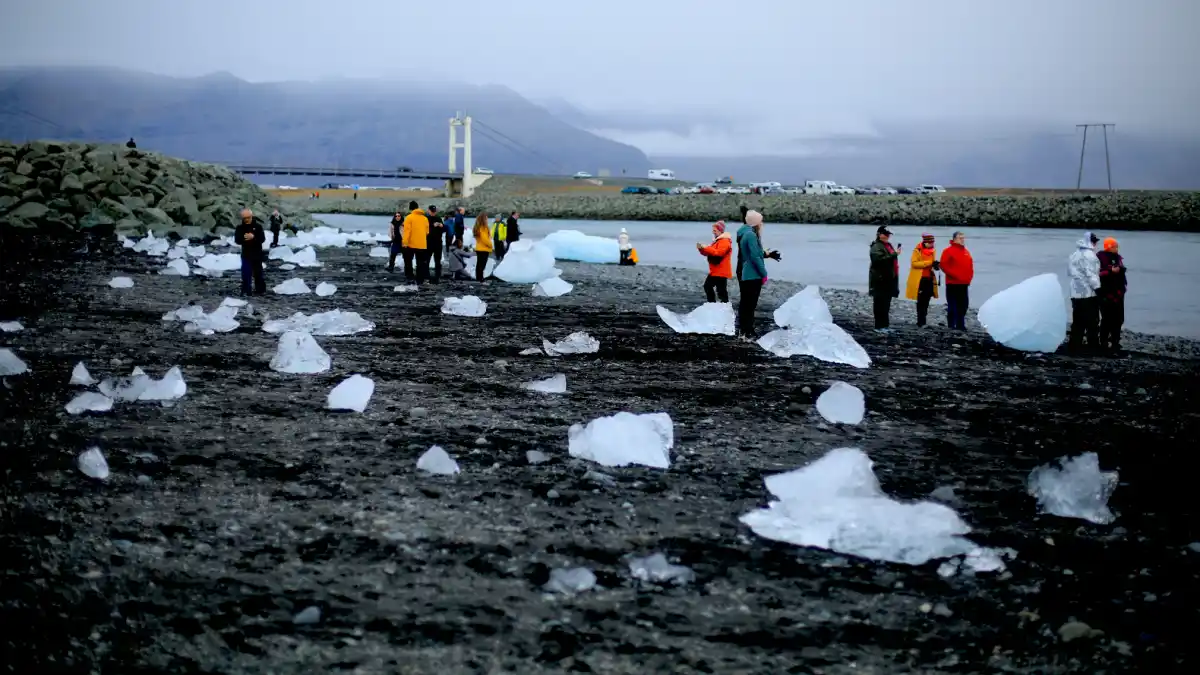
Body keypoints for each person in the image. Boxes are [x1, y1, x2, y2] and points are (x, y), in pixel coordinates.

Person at [735, 210, 769, 340]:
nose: (762, 224)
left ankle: (743, 330)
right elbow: (755, 257)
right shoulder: (751, 235)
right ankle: (747, 330)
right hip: (752, 275)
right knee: (750, 304)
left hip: (745, 273)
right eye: (760, 221)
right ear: (756, 223)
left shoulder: (744, 233)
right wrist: (764, 273)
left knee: (745, 303)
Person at [1068, 231, 1102, 352]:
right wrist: (1098, 289)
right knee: (1093, 321)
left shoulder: (1074, 254)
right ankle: (1093, 345)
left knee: (1077, 321)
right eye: (1094, 241)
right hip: (1088, 293)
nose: (1096, 243)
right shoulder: (1090, 256)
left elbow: (1070, 272)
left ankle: (1074, 344)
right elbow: (1091, 275)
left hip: (1075, 293)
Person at [1096, 237, 1127, 354]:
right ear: (1109, 247)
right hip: (1106, 293)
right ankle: (1103, 341)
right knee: (1107, 319)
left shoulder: (1118, 258)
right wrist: (1110, 271)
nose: (1117, 248)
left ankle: (1115, 341)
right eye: (1114, 246)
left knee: (1118, 319)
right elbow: (1098, 273)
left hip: (1118, 293)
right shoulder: (1100, 258)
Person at [868, 226, 901, 331]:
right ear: (879, 234)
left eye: (888, 234)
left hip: (889, 279)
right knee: (879, 304)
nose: (887, 236)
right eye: (885, 234)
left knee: (886, 304)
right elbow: (878, 260)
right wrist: (894, 254)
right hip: (879, 280)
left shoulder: (888, 245)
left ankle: (885, 325)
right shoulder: (876, 246)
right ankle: (878, 326)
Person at [939, 231, 974, 330]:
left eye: (963, 238)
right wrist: (955, 276)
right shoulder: (948, 251)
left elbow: (970, 266)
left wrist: (969, 278)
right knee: (952, 306)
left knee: (963, 306)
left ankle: (960, 325)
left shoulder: (966, 251)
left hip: (964, 283)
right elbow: (943, 265)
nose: (963, 239)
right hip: (953, 283)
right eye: (960, 238)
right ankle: (951, 325)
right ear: (954, 239)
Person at [905, 233, 940, 327]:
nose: (932, 244)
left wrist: (936, 266)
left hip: (929, 278)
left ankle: (923, 320)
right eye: (931, 242)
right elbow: (914, 264)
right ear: (926, 242)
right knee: (921, 301)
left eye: (933, 242)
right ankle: (920, 321)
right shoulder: (917, 251)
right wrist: (929, 263)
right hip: (920, 279)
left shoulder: (932, 251)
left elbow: (930, 265)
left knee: (927, 300)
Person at [697, 220, 733, 302]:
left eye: (715, 230)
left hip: (721, 271)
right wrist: (701, 249)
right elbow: (710, 253)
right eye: (713, 230)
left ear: (720, 230)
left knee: (713, 288)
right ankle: (719, 305)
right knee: (719, 290)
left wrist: (705, 247)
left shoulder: (725, 241)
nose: (713, 232)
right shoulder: (718, 241)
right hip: (716, 271)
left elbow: (718, 253)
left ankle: (715, 305)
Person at [234, 208, 266, 295]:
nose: (247, 219)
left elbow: (262, 239)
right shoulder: (240, 228)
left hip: (257, 254)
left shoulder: (258, 226)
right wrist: (245, 238)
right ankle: (246, 291)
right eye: (245, 218)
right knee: (245, 273)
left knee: (258, 273)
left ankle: (260, 291)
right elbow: (237, 240)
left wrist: (253, 237)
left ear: (251, 216)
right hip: (246, 254)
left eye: (248, 217)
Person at [400, 201, 430, 283]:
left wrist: (404, 243)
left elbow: (407, 232)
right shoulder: (425, 218)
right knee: (420, 263)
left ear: (410, 208)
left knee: (408, 261)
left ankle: (410, 277)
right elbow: (427, 232)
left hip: (411, 244)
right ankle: (420, 279)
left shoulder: (409, 218)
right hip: (422, 244)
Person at [426, 205, 445, 282]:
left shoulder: (439, 218)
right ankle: (427, 275)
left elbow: (443, 229)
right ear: (429, 211)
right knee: (427, 259)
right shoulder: (426, 218)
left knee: (438, 260)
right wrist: (432, 225)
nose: (434, 212)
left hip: (438, 242)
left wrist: (441, 225)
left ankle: (438, 275)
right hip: (429, 242)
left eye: (435, 211)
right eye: (432, 211)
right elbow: (424, 229)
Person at [473, 213, 493, 281]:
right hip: (484, 248)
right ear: (483, 219)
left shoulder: (477, 227)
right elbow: (484, 239)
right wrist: (491, 245)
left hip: (479, 248)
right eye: (486, 218)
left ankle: (478, 278)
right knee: (482, 265)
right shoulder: (483, 227)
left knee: (479, 264)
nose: (487, 220)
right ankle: (480, 278)